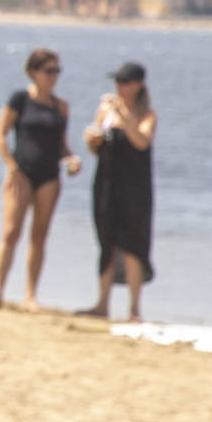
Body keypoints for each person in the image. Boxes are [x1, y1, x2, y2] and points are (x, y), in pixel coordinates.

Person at [0, 48, 80, 312]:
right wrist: (11, 165)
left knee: (39, 236)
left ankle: (30, 295)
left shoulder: (61, 107)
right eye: (48, 71)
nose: (54, 76)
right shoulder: (20, 99)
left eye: (57, 71)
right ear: (33, 72)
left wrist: (71, 159)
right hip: (21, 173)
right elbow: (0, 134)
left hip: (49, 176)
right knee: (10, 233)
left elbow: (62, 146)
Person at [81, 61, 157, 322]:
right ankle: (102, 304)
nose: (119, 87)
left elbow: (141, 142)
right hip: (106, 183)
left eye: (124, 82)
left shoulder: (146, 115)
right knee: (107, 242)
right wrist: (92, 140)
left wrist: (124, 116)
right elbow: (97, 146)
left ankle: (134, 309)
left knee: (133, 244)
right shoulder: (106, 111)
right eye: (117, 82)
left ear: (137, 85)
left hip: (134, 188)